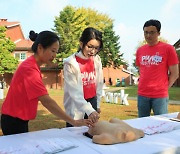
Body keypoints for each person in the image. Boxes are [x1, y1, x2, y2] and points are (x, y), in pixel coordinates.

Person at [0, 30, 93, 135]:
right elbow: (47, 101)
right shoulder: (29, 69)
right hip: (13, 121)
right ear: (40, 48)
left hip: (17, 120)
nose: (54, 55)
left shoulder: (32, 65)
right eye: (53, 51)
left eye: (56, 52)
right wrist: (74, 122)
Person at [136, 19, 179, 118]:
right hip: (142, 94)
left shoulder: (168, 49)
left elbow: (175, 73)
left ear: (158, 33)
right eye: (146, 32)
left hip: (160, 96)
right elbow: (140, 69)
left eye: (152, 32)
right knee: (142, 123)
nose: (148, 36)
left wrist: (164, 87)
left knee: (161, 124)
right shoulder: (140, 50)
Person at [63, 27, 104, 127]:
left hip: (92, 101)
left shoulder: (96, 60)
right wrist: (89, 110)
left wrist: (97, 105)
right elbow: (74, 92)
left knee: (91, 134)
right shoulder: (70, 63)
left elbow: (99, 84)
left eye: (96, 48)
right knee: (74, 136)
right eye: (90, 46)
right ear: (81, 44)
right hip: (76, 105)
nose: (93, 51)